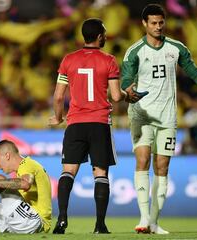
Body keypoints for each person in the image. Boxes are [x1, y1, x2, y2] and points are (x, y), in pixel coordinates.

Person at [121, 4, 197, 235]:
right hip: (142, 115)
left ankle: (155, 222)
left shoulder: (176, 48)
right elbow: (125, 81)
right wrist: (130, 92)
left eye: (161, 22)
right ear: (144, 24)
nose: (158, 27)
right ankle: (143, 217)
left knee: (163, 167)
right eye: (153, 23)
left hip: (167, 117)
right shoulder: (135, 51)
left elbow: (193, 69)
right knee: (142, 161)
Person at [49, 18, 131, 234]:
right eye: (104, 33)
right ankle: (100, 225)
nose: (106, 36)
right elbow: (115, 96)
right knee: (100, 174)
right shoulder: (109, 60)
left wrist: (58, 118)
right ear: (99, 36)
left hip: (75, 123)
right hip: (99, 123)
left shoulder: (69, 60)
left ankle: (62, 220)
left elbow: (58, 97)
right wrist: (127, 94)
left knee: (68, 172)